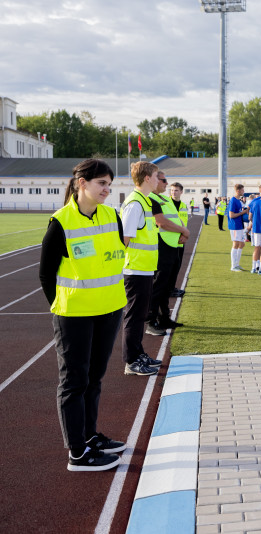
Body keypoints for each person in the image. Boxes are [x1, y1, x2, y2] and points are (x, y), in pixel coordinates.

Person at [39, 159, 128, 471]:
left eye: (109, 184)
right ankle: (78, 452)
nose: (107, 190)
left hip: (110, 308)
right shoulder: (61, 222)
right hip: (74, 314)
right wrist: (62, 305)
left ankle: (90, 436)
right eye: (101, 183)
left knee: (94, 378)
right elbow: (46, 274)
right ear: (82, 184)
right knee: (74, 381)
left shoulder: (111, 216)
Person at [120, 161, 164, 376]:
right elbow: (124, 239)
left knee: (139, 316)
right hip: (135, 269)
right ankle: (131, 361)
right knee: (134, 316)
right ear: (147, 178)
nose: (158, 180)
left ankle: (138, 354)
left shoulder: (145, 202)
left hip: (144, 268)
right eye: (156, 176)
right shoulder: (135, 204)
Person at [147, 172, 189, 334]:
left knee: (166, 286)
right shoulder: (152, 198)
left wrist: (181, 233)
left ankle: (164, 318)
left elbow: (175, 219)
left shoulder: (162, 199)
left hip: (172, 245)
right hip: (162, 246)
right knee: (158, 285)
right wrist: (185, 232)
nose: (166, 184)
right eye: (163, 180)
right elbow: (161, 222)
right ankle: (151, 322)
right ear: (153, 180)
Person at [169, 182, 188, 298]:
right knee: (169, 267)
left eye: (176, 190)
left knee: (177, 266)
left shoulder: (183, 206)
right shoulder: (166, 204)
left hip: (180, 241)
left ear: (181, 192)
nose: (173, 192)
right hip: (169, 240)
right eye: (171, 190)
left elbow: (184, 223)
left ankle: (172, 288)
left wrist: (184, 235)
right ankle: (168, 289)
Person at [227, 184, 248, 271]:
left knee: (241, 244)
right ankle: (233, 266)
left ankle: (237, 264)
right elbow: (231, 215)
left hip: (239, 225)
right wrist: (243, 213)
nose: (244, 191)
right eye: (242, 190)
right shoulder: (233, 200)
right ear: (238, 190)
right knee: (235, 244)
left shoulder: (238, 201)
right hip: (235, 225)